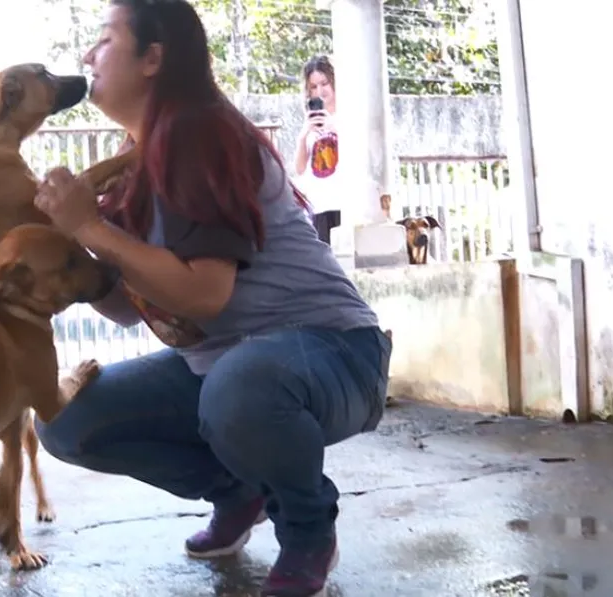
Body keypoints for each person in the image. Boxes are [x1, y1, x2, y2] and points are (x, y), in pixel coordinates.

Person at [32, 1, 391, 596]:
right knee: (65, 416)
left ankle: (306, 529)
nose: (88, 55)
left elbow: (204, 294)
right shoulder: (132, 164)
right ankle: (236, 488)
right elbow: (128, 306)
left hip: (336, 353)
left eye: (105, 39)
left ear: (154, 57)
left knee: (238, 388)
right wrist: (66, 256)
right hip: (225, 368)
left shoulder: (200, 134)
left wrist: (89, 231)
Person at [294, 55, 342, 246]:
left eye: (325, 84)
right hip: (319, 205)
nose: (320, 91)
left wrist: (335, 128)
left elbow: (360, 156)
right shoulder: (310, 120)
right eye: (314, 87)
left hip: (344, 203)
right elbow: (299, 168)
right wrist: (304, 135)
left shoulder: (349, 115)